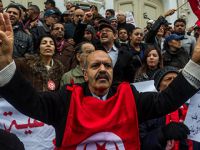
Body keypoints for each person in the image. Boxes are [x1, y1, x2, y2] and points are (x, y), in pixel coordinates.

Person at [0, 13, 200, 149]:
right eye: (96, 66)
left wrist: (195, 63)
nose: (103, 69)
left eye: (107, 66)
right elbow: (30, 102)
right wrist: (5, 64)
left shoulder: (129, 96)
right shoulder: (67, 99)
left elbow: (167, 100)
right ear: (85, 74)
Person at [140, 66, 193, 150]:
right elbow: (141, 143)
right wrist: (163, 133)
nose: (174, 82)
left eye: (176, 79)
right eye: (168, 79)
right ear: (159, 87)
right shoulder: (148, 111)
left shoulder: (191, 111)